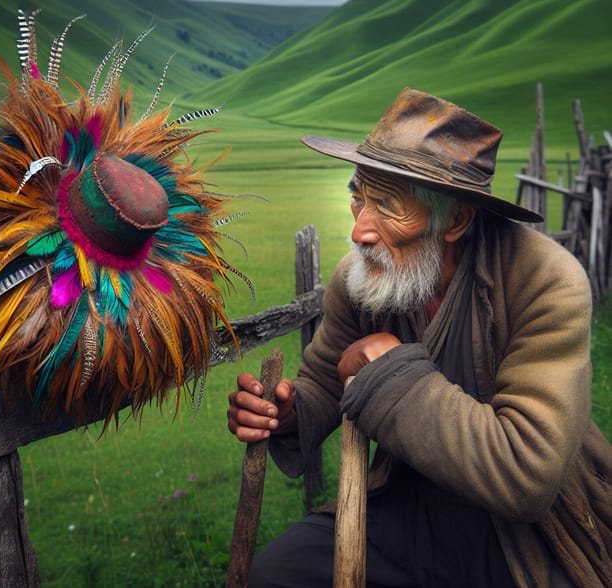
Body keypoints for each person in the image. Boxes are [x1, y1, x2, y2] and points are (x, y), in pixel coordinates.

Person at [227, 88, 612, 587]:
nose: (361, 230)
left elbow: (528, 475)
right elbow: (326, 380)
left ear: (454, 219)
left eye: (387, 206)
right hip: (403, 504)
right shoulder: (360, 278)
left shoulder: (544, 280)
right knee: (276, 575)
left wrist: (394, 373)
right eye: (358, 198)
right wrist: (285, 413)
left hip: (526, 536)